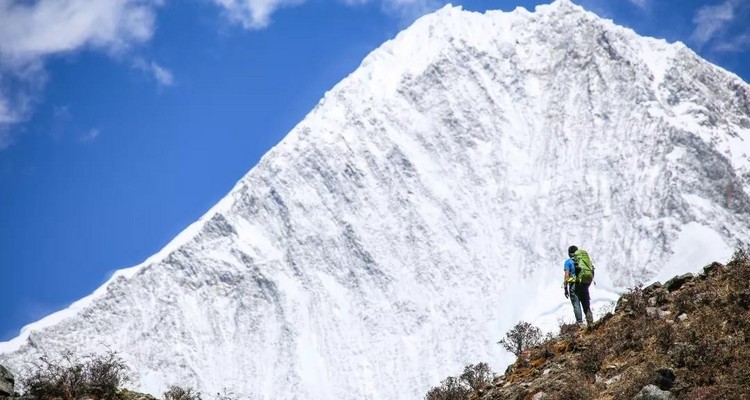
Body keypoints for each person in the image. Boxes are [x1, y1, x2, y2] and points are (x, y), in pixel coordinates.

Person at [563, 245, 594, 327]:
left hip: (574, 285)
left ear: (569, 253)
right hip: (584, 284)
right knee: (586, 304)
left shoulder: (568, 262)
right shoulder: (584, 261)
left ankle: (580, 323)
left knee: (576, 304)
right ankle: (590, 322)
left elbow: (566, 276)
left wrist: (566, 288)